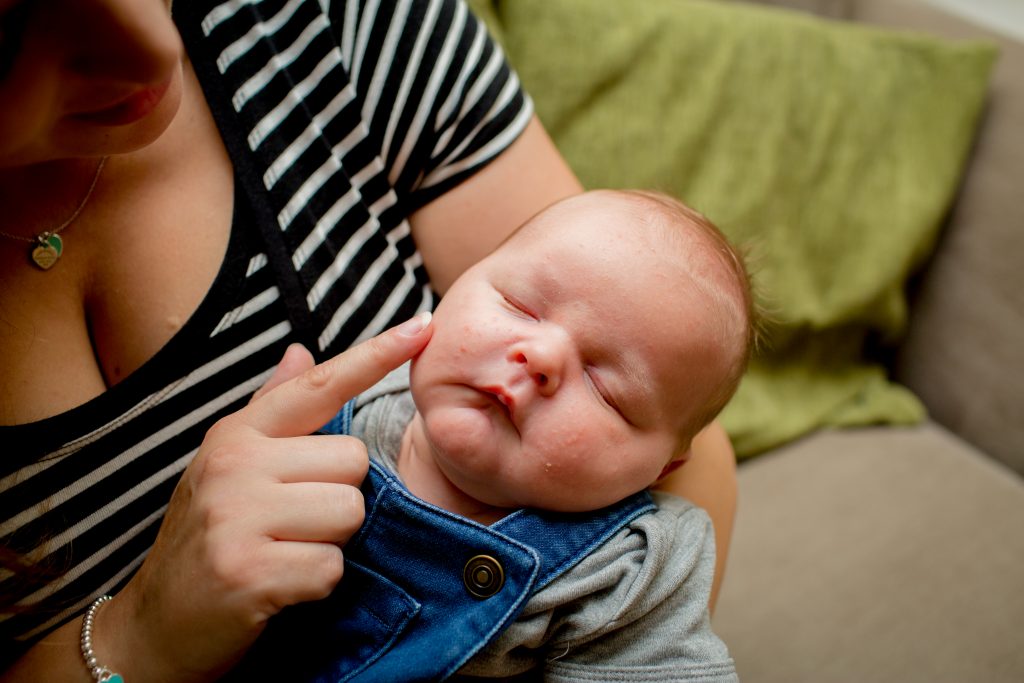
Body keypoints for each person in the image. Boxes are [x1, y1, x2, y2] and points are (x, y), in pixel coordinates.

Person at [0, 1, 738, 680]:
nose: (152, 48)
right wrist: (141, 635)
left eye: (607, 390)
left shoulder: (628, 570)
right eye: (11, 30)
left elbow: (685, 414)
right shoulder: (347, 420)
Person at [233, 188, 750, 681]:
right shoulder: (323, 418)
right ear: (454, 287)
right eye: (520, 305)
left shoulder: (631, 572)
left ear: (662, 470)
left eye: (605, 388)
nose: (540, 355)